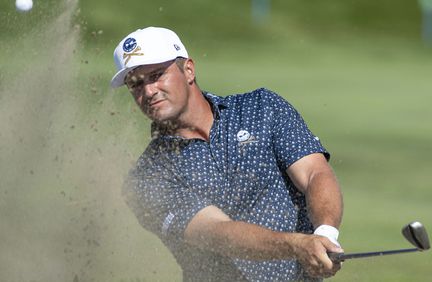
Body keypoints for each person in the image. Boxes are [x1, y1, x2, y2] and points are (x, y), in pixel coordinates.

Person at [111, 27, 344, 281]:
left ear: (188, 70)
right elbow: (216, 232)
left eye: (157, 75)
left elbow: (314, 173)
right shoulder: (146, 177)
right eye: (136, 84)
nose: (148, 91)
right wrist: (297, 246)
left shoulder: (262, 109)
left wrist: (326, 234)